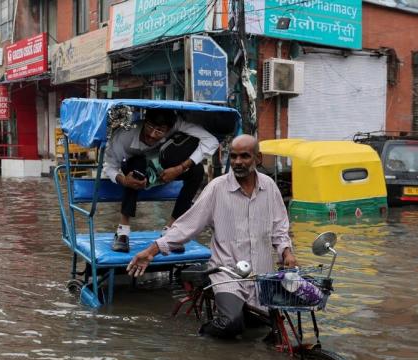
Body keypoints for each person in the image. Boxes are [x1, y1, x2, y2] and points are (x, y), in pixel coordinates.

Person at [127, 135, 297, 339]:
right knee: (231, 324)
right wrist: (152, 250)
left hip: (261, 275)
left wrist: (286, 253)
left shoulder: (269, 187)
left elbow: (279, 228)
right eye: (233, 157)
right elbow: (187, 226)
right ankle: (203, 337)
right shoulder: (217, 188)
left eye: (244, 156)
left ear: (258, 158)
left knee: (271, 331)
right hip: (227, 273)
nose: (237, 162)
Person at [103, 108, 218, 253]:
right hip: (137, 169)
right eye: (150, 127)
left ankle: (171, 230)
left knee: (197, 170)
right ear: (144, 122)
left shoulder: (177, 125)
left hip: (164, 166)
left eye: (159, 131)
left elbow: (211, 141)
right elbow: (109, 166)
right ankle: (122, 231)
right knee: (137, 166)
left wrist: (180, 168)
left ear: (169, 128)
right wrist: (124, 180)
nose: (152, 134)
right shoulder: (123, 136)